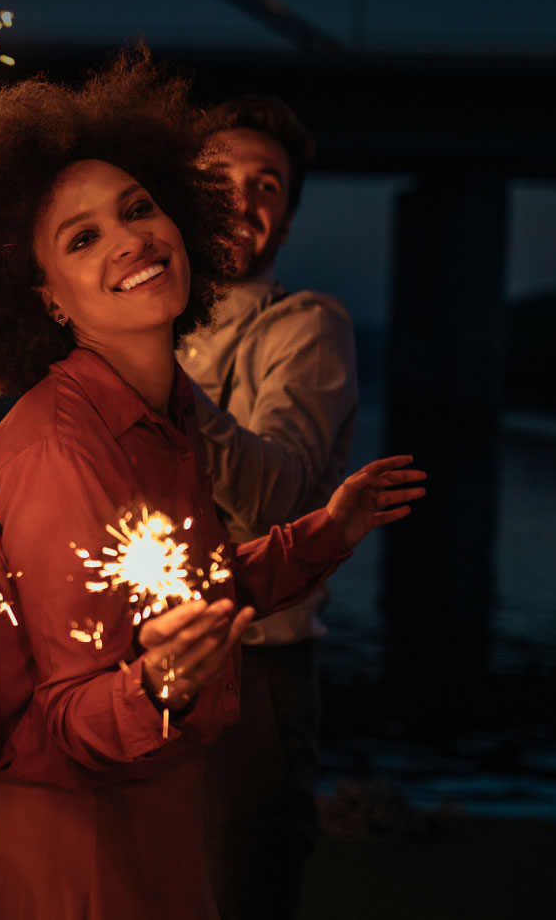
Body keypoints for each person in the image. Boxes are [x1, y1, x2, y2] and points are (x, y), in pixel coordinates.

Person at [0, 50, 423, 919]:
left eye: (139, 209)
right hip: (73, 853)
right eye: (82, 238)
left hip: (153, 819)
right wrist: (158, 688)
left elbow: (202, 590)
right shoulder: (56, 451)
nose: (131, 240)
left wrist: (325, 533)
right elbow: (64, 714)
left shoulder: (167, 417)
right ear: (47, 298)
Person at [188, 96, 358, 920]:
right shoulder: (139, 323)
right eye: (218, 178)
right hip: (126, 664)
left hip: (253, 676)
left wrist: (141, 359)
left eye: (267, 186)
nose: (244, 199)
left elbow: (280, 499)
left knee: (233, 897)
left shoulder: (307, 328)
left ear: (285, 220)